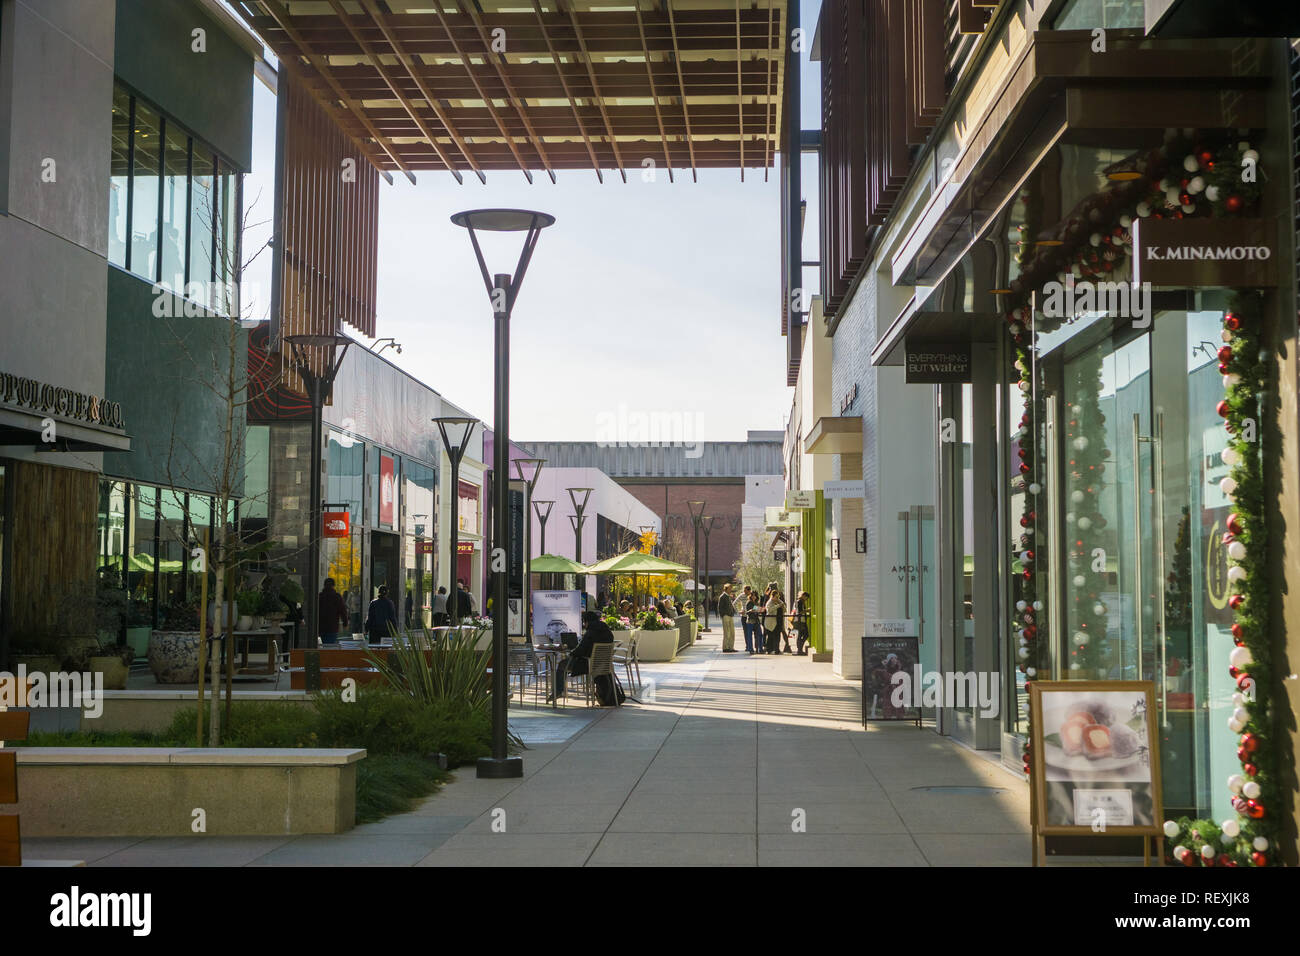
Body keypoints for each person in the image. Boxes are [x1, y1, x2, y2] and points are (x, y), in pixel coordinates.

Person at [553, 609, 614, 699]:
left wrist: (571, 653)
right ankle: (559, 691)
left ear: (587, 622)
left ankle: (559, 691)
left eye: (584, 622)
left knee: (562, 664)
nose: (584, 625)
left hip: (589, 664)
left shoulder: (590, 632)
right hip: (605, 664)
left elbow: (581, 650)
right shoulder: (607, 631)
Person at [318, 578, 348, 645]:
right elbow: (343, 611)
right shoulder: (337, 597)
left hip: (320, 626)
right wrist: (345, 623)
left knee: (321, 646)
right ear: (334, 585)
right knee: (330, 646)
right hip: (332, 626)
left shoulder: (320, 596)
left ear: (324, 585)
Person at [763, 588, 787, 654]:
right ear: (772, 596)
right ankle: (769, 649)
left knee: (777, 637)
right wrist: (778, 605)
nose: (777, 598)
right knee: (770, 637)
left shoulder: (778, 601)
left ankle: (777, 650)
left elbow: (785, 610)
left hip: (778, 622)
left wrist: (781, 603)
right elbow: (769, 610)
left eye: (778, 597)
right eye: (776, 597)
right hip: (771, 623)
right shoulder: (769, 602)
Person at [718, 583, 737, 652]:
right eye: (730, 588)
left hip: (730, 615)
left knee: (732, 632)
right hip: (726, 616)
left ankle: (731, 647)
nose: (731, 590)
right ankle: (725, 647)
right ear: (726, 589)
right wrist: (723, 615)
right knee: (727, 632)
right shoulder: (723, 596)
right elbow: (720, 607)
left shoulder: (728, 596)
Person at [739, 585, 757, 653]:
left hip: (750, 617)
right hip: (747, 617)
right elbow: (734, 603)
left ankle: (750, 647)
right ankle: (749, 647)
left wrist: (759, 609)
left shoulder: (753, 600)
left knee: (749, 633)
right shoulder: (748, 600)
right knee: (748, 633)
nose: (744, 592)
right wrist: (739, 611)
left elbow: (755, 608)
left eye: (745, 590)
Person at [793, 591, 811, 655]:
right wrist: (807, 610)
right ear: (803, 596)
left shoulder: (799, 601)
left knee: (801, 635)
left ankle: (800, 649)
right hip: (800, 621)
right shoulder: (799, 602)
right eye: (806, 597)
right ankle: (799, 649)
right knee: (804, 634)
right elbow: (800, 612)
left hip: (800, 620)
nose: (806, 599)